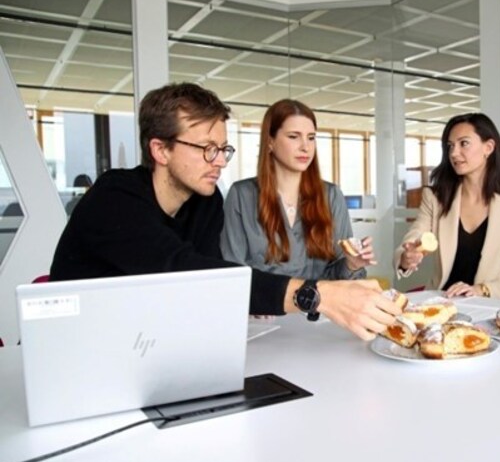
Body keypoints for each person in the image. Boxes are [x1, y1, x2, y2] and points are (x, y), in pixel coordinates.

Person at [49, 83, 398, 340]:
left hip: (154, 345)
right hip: (78, 345)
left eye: (223, 149)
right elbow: (184, 271)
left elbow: (214, 283)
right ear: (160, 149)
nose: (219, 161)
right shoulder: (114, 197)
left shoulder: (206, 200)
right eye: (206, 148)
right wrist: (318, 295)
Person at [221, 99, 373, 281]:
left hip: (320, 307)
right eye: (294, 137)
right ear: (270, 142)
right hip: (264, 308)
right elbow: (233, 272)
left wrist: (352, 264)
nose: (305, 147)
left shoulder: (331, 196)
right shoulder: (242, 195)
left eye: (311, 137)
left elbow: (338, 279)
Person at [394, 113, 500, 300]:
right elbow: (414, 237)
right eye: (450, 146)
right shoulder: (436, 197)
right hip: (443, 304)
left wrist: (480, 290)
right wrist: (405, 257)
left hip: (492, 308)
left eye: (463, 143)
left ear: (488, 147)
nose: (453, 153)